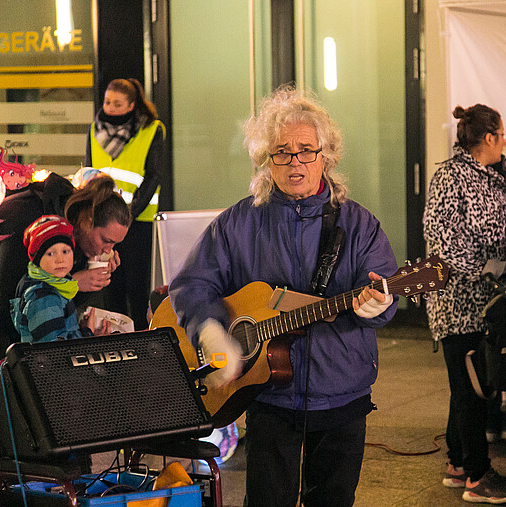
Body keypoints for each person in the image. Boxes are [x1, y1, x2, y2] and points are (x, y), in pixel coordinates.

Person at [169, 85, 398, 507]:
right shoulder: (238, 223)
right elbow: (191, 284)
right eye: (282, 152)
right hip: (269, 397)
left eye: (306, 150)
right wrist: (210, 331)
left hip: (343, 394)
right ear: (265, 159)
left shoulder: (360, 224)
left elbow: (385, 287)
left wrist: (380, 305)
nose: (296, 162)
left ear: (326, 155)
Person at [0, 172, 128, 487]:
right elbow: (10, 296)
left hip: (7, 308)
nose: (108, 250)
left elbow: (56, 302)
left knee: (17, 397)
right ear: (86, 221)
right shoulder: (31, 217)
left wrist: (88, 276)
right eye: (106, 241)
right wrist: (75, 281)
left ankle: (22, 486)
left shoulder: (71, 236)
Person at [424, 103, 506, 504]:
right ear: (488, 138)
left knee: (471, 385)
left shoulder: (495, 176)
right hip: (458, 303)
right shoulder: (450, 177)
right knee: (469, 389)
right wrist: (490, 267)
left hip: (493, 300)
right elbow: (442, 239)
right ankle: (477, 475)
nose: (505, 141)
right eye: (502, 134)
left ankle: (457, 462)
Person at [85, 78, 164, 330]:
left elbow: (154, 175)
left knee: (137, 288)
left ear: (132, 105)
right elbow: (88, 171)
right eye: (108, 102)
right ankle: (112, 336)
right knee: (110, 285)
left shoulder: (151, 129)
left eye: (117, 104)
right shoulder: (94, 129)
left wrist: (129, 213)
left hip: (137, 221)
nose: (110, 108)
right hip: (103, 220)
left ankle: (140, 337)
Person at [10, 215, 110, 343]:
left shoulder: (56, 284)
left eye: (65, 251)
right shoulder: (44, 298)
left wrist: (78, 329)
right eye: (51, 253)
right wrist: (87, 334)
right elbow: (56, 351)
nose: (60, 259)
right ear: (37, 259)